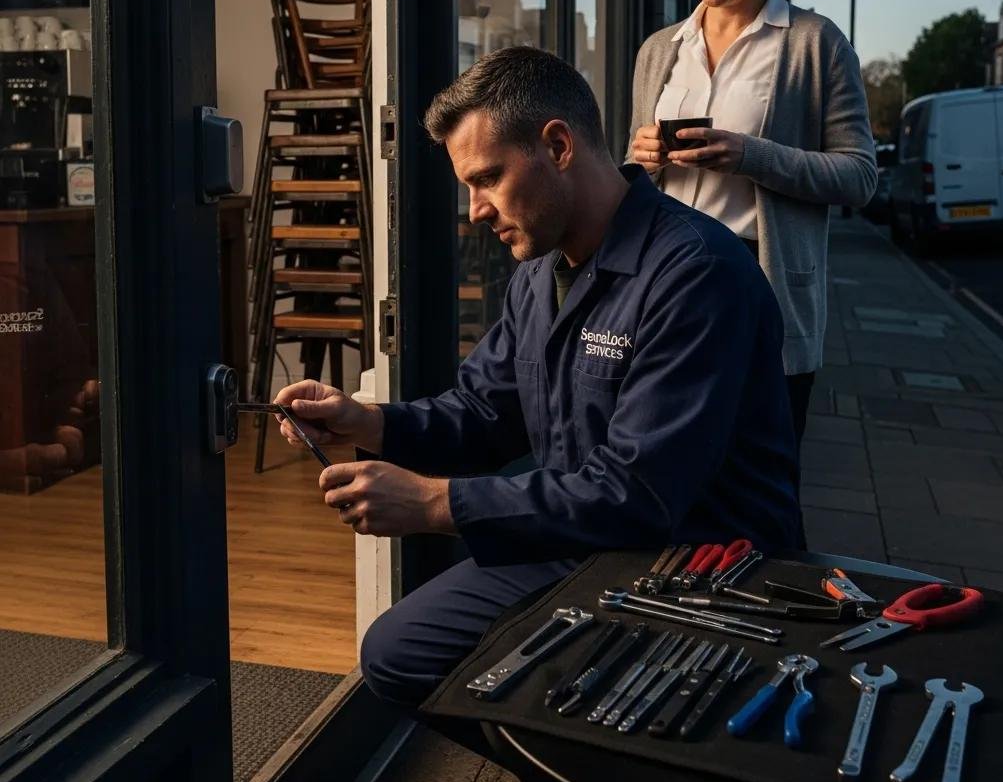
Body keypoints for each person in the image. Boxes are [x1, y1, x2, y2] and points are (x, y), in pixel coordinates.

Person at [275, 46, 800, 726]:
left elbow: (636, 492)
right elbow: (484, 413)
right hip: (583, 539)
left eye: (487, 178)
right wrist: (366, 423)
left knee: (418, 654)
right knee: (399, 652)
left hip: (696, 565)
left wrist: (437, 504)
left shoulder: (697, 275)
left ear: (557, 145)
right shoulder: (536, 273)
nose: (474, 212)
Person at [628, 0, 876, 461]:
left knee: (758, 485)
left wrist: (752, 155)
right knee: (665, 470)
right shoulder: (661, 49)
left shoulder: (815, 43)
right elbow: (635, 183)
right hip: (666, 284)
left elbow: (860, 175)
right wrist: (640, 160)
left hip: (758, 287)